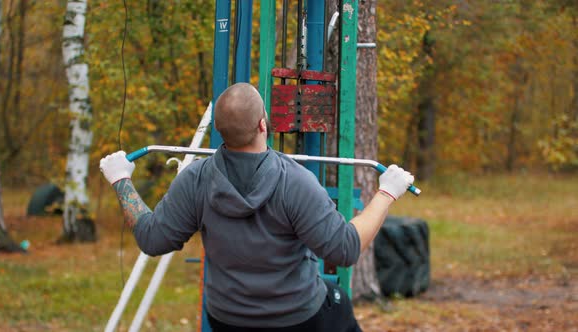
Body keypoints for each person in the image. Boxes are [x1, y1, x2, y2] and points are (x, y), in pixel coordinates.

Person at [100, 83, 414, 331]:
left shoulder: (195, 180)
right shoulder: (295, 182)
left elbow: (151, 238)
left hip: (228, 320)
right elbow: (345, 249)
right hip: (297, 318)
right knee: (338, 305)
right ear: (263, 125)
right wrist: (387, 192)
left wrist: (120, 180)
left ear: (219, 130)